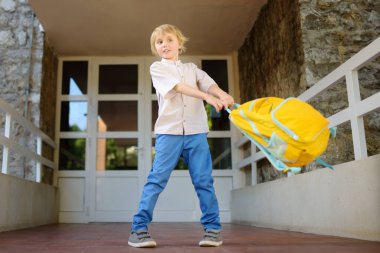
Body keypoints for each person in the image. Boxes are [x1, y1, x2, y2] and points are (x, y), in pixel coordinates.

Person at [128, 24, 234, 248]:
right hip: (169, 133)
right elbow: (178, 88)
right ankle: (138, 230)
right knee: (156, 180)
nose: (164, 44)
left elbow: (210, 84)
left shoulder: (193, 69)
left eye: (169, 39)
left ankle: (213, 230)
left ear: (179, 43)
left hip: (196, 133)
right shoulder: (158, 68)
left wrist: (222, 94)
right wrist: (206, 97)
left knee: (204, 181)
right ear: (155, 48)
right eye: (159, 42)